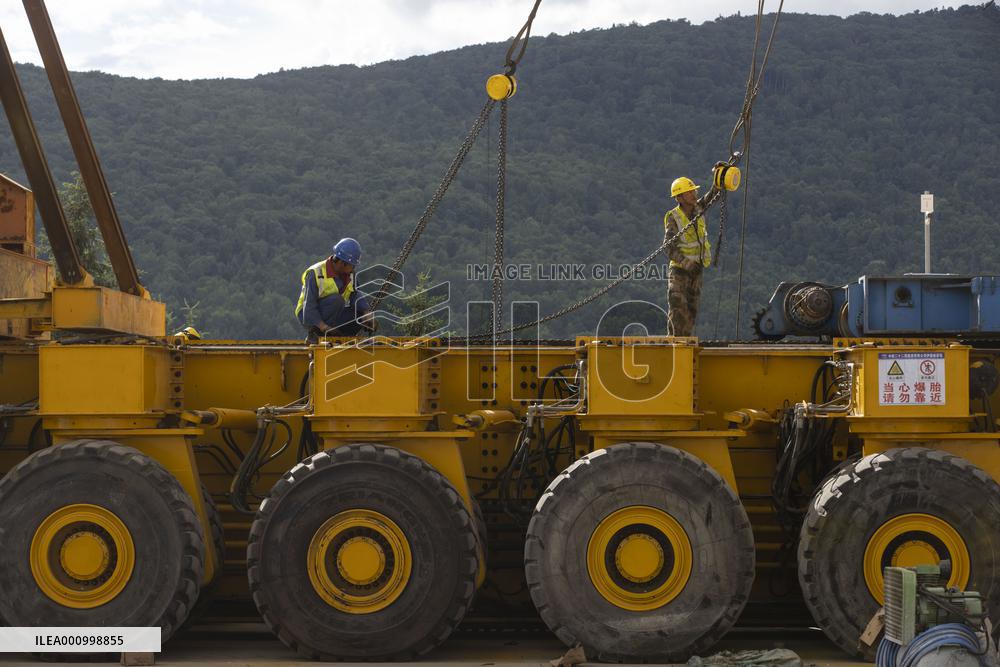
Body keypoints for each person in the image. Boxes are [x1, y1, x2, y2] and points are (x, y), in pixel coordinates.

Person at [294, 237, 374, 342]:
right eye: (352, 265)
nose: (354, 268)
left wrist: (366, 313)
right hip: (308, 314)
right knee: (337, 300)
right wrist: (324, 327)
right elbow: (309, 307)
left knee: (359, 314)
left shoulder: (350, 275)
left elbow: (355, 294)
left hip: (334, 313)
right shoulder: (315, 273)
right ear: (342, 263)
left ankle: (342, 338)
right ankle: (316, 336)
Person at [664, 176, 713, 337]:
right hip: (679, 272)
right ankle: (675, 345)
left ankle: (685, 344)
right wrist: (686, 263)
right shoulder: (674, 217)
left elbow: (712, 196)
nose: (694, 194)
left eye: (694, 191)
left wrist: (720, 181)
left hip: (696, 271)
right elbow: (668, 248)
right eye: (689, 192)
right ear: (679, 197)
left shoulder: (698, 209)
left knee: (691, 311)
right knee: (678, 310)